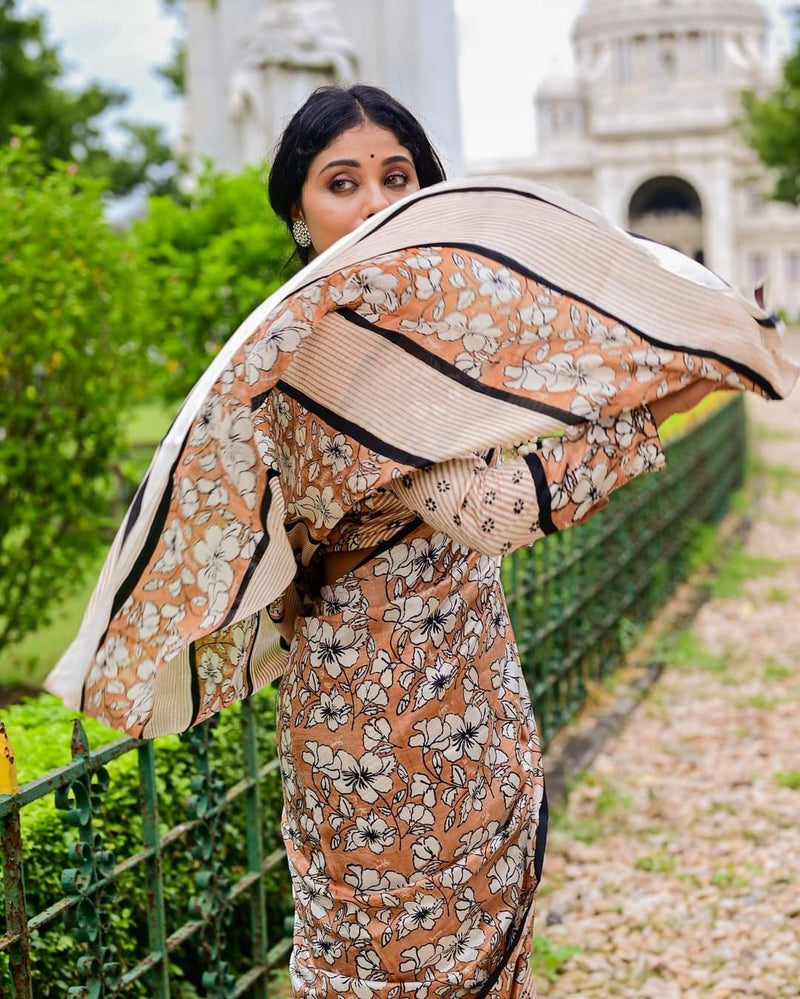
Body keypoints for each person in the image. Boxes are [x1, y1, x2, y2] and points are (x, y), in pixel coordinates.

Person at [44, 85, 797, 999]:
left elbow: (563, 352)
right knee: (397, 969)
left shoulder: (423, 329)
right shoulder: (323, 348)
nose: (373, 203)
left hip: (474, 686)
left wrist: (684, 347)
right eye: (342, 181)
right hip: (380, 726)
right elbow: (492, 508)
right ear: (298, 212)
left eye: (396, 177)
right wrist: (675, 398)